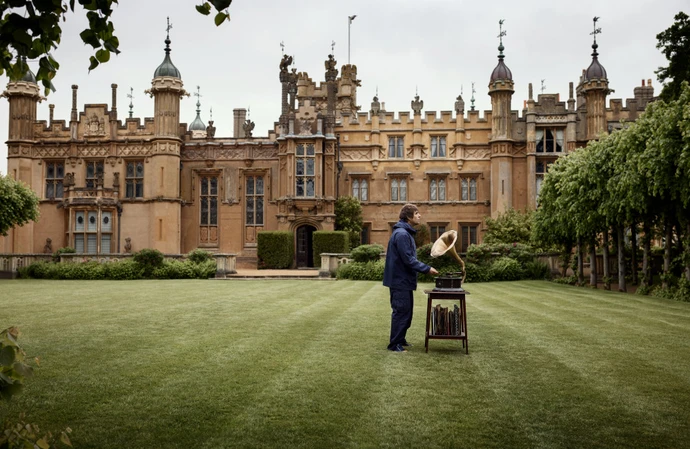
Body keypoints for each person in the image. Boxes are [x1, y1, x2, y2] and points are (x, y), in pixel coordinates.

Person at [383, 204, 438, 352]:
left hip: (403, 280)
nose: (420, 216)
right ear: (408, 217)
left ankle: (400, 339)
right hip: (399, 280)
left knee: (406, 312)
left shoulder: (405, 233)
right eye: (417, 213)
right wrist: (427, 269)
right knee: (401, 311)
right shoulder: (401, 234)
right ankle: (394, 345)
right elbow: (408, 259)